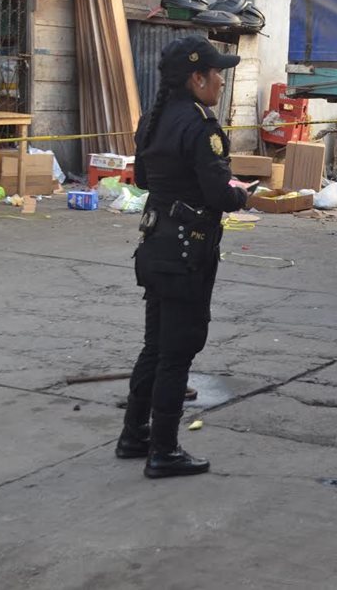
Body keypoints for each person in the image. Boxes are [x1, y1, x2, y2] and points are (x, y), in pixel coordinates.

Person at [116, 36, 252, 479]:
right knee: (177, 352)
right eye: (217, 74)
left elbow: (141, 179)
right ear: (197, 78)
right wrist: (241, 195)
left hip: (155, 245)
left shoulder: (152, 121)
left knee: (156, 346)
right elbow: (219, 194)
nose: (222, 82)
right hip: (187, 252)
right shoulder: (200, 127)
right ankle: (164, 450)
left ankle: (134, 435)